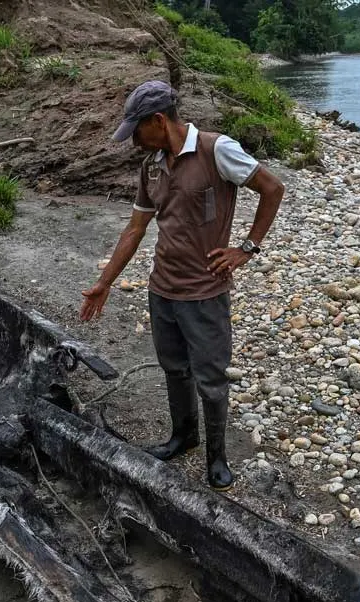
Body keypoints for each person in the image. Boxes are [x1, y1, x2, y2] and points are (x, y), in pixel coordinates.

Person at [79, 79, 284, 492]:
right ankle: (183, 436)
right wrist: (104, 283)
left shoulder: (216, 149)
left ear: (158, 120)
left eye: (137, 130)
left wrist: (246, 248)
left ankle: (217, 457)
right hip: (163, 289)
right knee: (175, 369)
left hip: (205, 292)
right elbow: (136, 226)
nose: (134, 141)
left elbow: (272, 188)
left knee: (210, 378)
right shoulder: (151, 164)